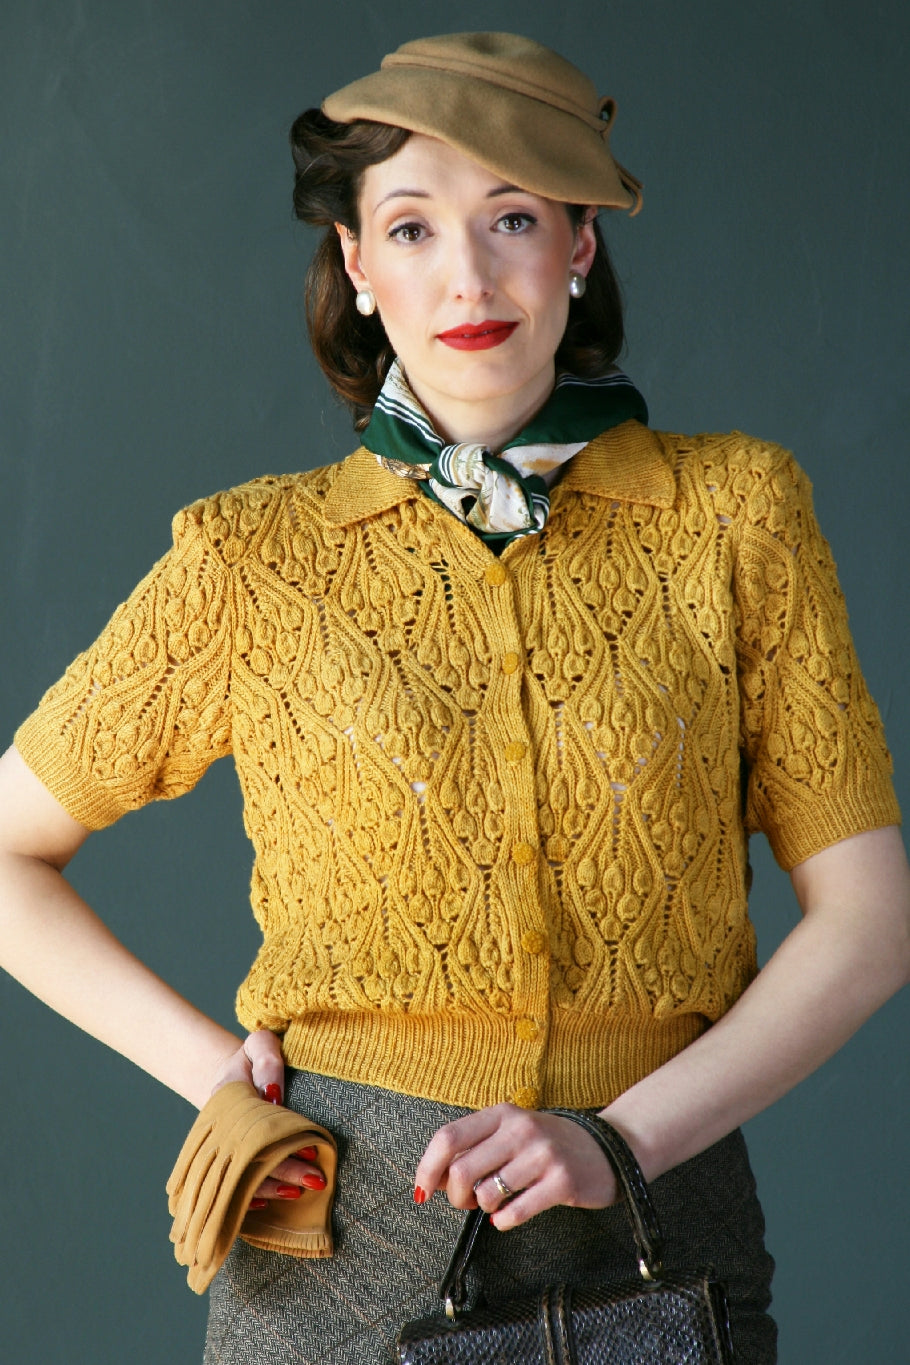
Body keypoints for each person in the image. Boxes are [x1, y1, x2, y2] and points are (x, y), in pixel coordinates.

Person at [1, 30, 907, 1365]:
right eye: (413, 227)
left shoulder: (734, 515)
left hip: (662, 1218)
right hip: (339, 1237)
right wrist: (216, 1075)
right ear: (359, 266)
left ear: (578, 247)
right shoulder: (254, 556)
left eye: (514, 218)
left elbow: (870, 918)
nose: (468, 274)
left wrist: (622, 1139)